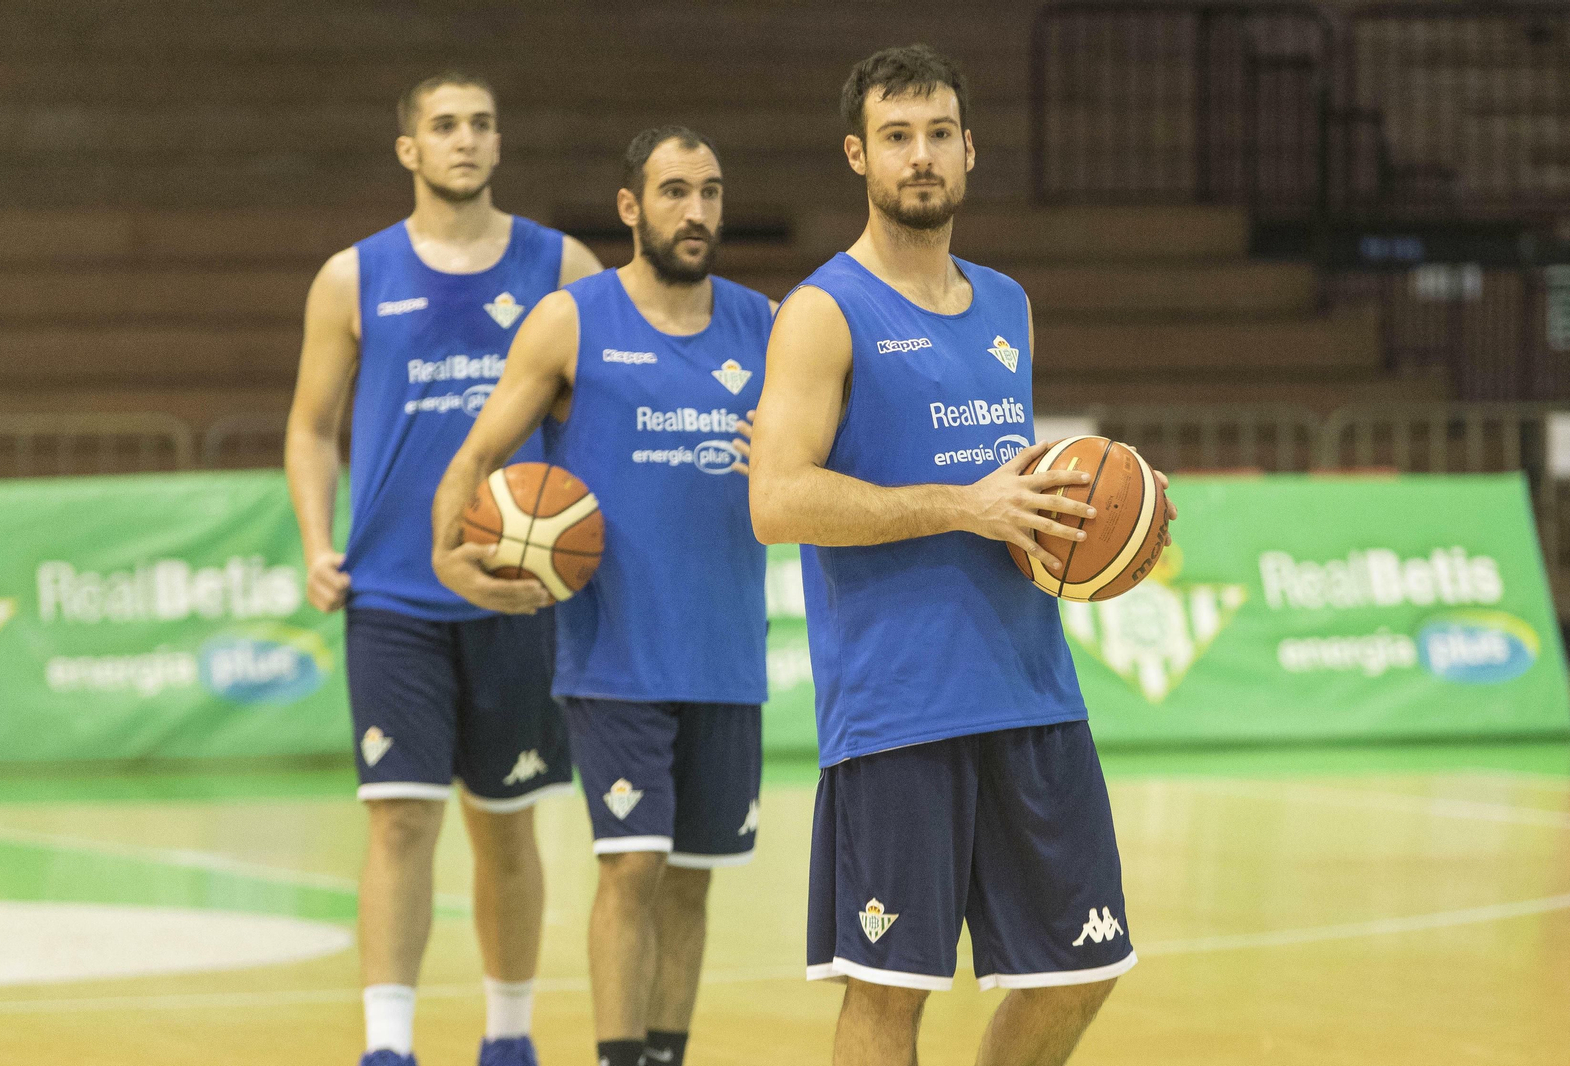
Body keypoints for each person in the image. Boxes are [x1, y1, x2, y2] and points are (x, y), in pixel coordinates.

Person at [748, 45, 1175, 1066]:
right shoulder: (822, 311)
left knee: (1080, 970)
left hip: (1032, 688)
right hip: (899, 704)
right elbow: (775, 499)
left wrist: (1117, 517)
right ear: (858, 155)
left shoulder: (1006, 303)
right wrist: (962, 506)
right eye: (896, 136)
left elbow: (1019, 486)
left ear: (970, 150)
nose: (921, 155)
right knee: (890, 991)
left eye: (939, 134)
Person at [431, 126, 772, 1066]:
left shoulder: (769, 327)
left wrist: (790, 464)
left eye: (709, 192)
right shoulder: (571, 321)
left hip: (727, 652)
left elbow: (824, 460)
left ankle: (666, 1055)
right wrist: (448, 557)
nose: (695, 211)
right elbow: (477, 453)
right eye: (674, 192)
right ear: (630, 207)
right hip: (614, 655)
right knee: (631, 866)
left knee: (693, 880)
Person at [283, 69, 602, 1066]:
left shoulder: (563, 266)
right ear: (409, 149)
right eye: (445, 125)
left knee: (506, 827)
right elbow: (309, 427)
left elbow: (606, 414)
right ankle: (388, 1048)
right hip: (392, 595)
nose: (465, 139)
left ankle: (508, 1037)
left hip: (516, 589)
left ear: (499, 144)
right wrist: (316, 543)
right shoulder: (352, 277)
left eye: (481, 124)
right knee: (398, 823)